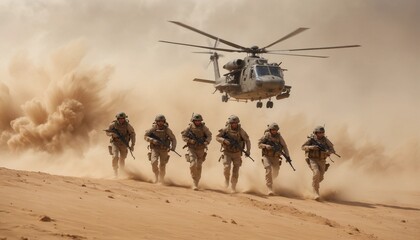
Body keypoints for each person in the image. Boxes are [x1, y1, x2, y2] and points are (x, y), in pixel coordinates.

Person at [216, 115, 251, 192]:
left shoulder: (241, 130)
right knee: (226, 167)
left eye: (236, 123)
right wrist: (224, 141)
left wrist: (248, 151)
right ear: (230, 123)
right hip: (227, 152)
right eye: (232, 123)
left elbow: (247, 140)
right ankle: (226, 180)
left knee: (236, 170)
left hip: (237, 153)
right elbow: (217, 137)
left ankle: (233, 186)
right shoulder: (225, 129)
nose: (234, 124)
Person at [301, 126, 336, 199]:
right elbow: (303, 147)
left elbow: (332, 149)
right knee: (316, 173)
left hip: (322, 160)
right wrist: (311, 147)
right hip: (312, 159)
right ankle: (316, 192)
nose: (321, 134)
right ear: (315, 133)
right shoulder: (311, 139)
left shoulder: (325, 140)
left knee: (321, 177)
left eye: (322, 133)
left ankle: (313, 185)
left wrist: (328, 152)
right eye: (319, 133)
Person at [181, 113, 212, 190]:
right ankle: (194, 180)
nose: (198, 122)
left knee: (199, 166)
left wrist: (206, 142)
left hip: (201, 149)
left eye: (199, 121)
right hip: (192, 148)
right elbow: (183, 136)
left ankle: (196, 183)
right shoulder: (189, 127)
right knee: (192, 164)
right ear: (193, 120)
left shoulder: (204, 127)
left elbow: (209, 135)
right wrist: (190, 141)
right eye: (196, 120)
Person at [258, 123, 290, 195]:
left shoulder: (279, 137)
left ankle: (269, 181)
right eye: (272, 130)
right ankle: (269, 188)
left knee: (276, 173)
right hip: (267, 156)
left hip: (276, 157)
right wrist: (266, 146)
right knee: (268, 170)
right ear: (270, 130)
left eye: (275, 130)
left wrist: (288, 156)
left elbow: (284, 146)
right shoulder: (266, 136)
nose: (274, 131)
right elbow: (259, 144)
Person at [144, 114, 177, 183]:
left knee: (162, 165)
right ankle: (156, 175)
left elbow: (173, 139)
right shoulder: (153, 128)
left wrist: (173, 147)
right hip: (155, 148)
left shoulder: (167, 130)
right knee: (154, 162)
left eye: (162, 121)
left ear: (164, 122)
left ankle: (161, 179)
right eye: (159, 121)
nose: (160, 123)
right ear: (156, 122)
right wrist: (152, 140)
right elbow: (145, 136)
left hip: (164, 149)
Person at [105, 112, 136, 177]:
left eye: (123, 118)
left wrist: (132, 145)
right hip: (115, 142)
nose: (121, 120)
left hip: (124, 144)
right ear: (117, 119)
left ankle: (122, 171)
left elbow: (133, 134)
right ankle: (115, 172)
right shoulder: (113, 124)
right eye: (120, 118)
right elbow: (107, 132)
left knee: (122, 159)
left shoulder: (127, 125)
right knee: (115, 156)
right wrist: (112, 134)